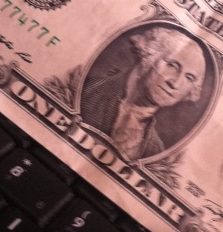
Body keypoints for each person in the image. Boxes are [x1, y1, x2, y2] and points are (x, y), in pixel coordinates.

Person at [81, 26, 207, 160]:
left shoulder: (154, 150)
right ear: (148, 55)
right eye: (172, 65)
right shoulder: (85, 90)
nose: (175, 84)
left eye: (189, 78)